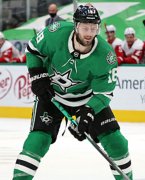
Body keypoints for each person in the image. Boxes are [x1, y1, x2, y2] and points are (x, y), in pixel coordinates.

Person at [13, 4, 133, 180]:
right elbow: (33, 50)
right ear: (76, 25)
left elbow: (104, 93)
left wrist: (89, 113)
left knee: (116, 142)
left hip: (86, 99)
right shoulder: (56, 32)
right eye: (85, 27)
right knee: (37, 141)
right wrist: (37, 75)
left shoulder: (106, 56)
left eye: (93, 28)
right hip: (52, 96)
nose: (89, 32)